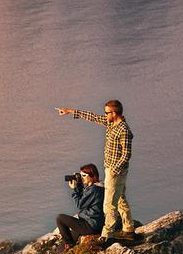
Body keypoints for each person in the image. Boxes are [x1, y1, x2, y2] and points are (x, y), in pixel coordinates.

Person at [52, 96, 132, 237]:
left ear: (114, 113)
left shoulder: (123, 130)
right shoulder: (110, 124)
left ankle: (107, 235)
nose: (105, 115)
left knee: (109, 205)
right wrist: (70, 111)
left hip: (115, 171)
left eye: (107, 112)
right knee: (120, 199)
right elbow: (93, 117)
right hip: (111, 169)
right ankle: (128, 228)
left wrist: (114, 171)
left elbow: (126, 155)